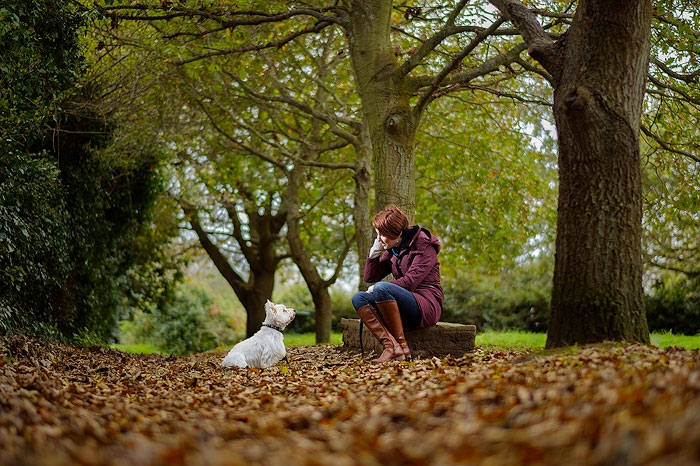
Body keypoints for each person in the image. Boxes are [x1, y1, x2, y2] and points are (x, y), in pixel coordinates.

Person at [352, 204, 444, 363]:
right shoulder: (394, 248)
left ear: (397, 233)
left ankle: (402, 346)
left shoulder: (424, 245)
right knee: (359, 298)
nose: (379, 239)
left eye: (382, 234)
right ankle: (392, 347)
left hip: (427, 304)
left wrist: (377, 288)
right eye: (377, 234)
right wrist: (374, 254)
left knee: (381, 288)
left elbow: (409, 282)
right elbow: (370, 276)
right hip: (403, 303)